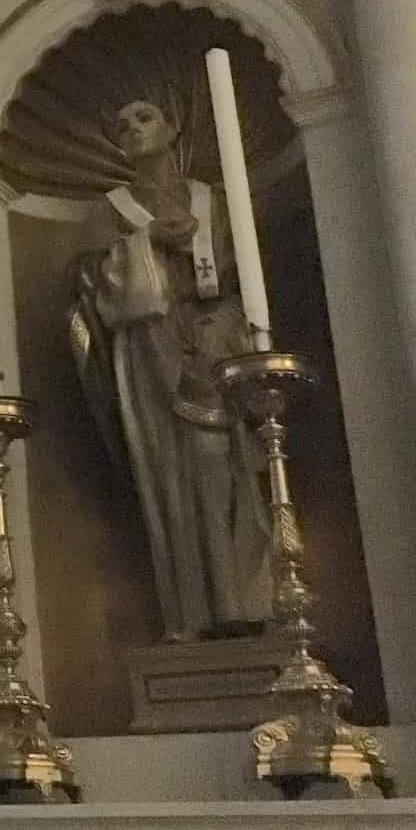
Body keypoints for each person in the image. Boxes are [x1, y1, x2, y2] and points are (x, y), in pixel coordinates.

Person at [71, 97, 273, 640]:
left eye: (143, 117)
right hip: (148, 349)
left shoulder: (214, 200)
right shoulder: (110, 211)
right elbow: (92, 293)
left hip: (217, 340)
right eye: (122, 123)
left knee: (228, 469)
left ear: (172, 127)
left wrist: (222, 328)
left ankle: (246, 603)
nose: (131, 128)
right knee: (170, 478)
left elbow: (243, 279)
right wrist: (144, 243)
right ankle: (191, 615)